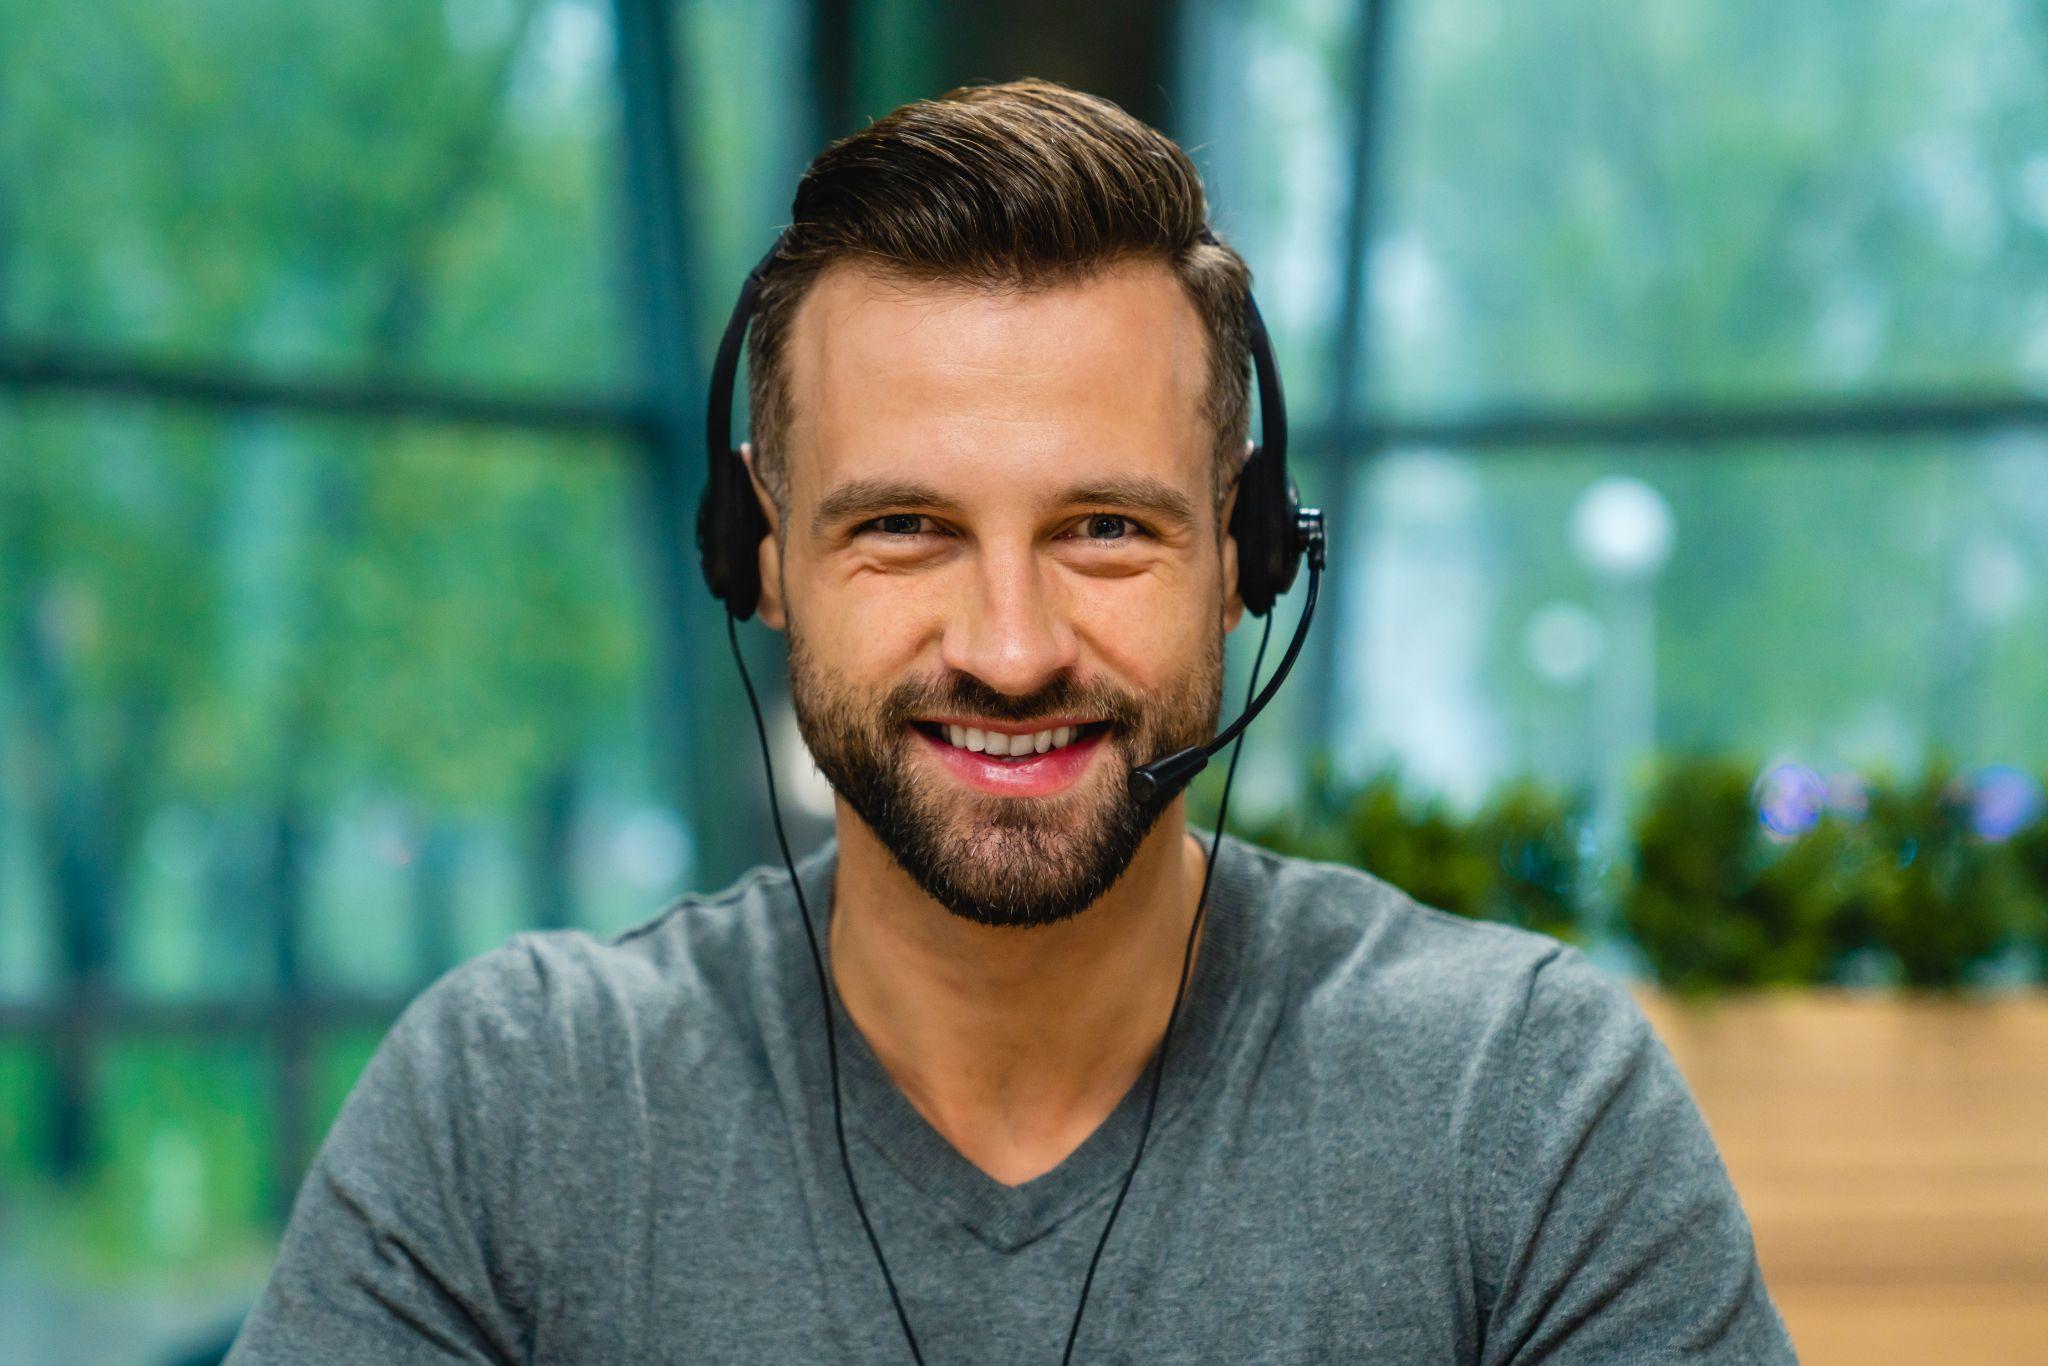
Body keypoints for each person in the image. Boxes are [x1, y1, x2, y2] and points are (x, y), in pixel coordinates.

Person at [225, 79, 1798, 1364]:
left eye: (1105, 528)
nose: (1010, 645)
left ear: (1243, 560)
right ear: (757, 556)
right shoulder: (521, 1106)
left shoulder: (1514, 1102)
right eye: (902, 526)